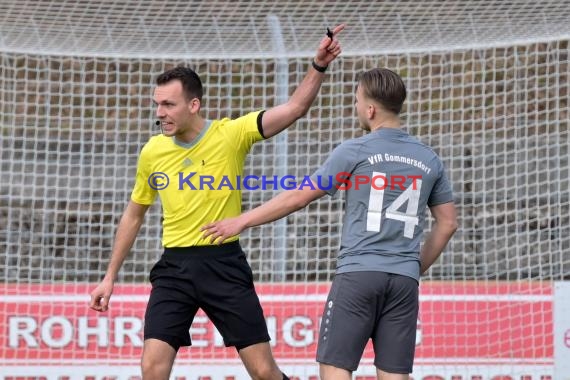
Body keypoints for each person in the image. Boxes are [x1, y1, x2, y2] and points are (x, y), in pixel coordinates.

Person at [89, 24, 345, 380]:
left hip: (224, 265)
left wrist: (318, 65)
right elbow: (134, 214)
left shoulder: (231, 134)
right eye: (157, 104)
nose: (160, 112)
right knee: (152, 366)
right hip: (174, 269)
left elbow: (296, 107)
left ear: (193, 104)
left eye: (168, 104)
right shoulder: (152, 151)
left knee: (263, 371)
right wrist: (109, 276)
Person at [201, 67, 458, 380]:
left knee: (335, 370)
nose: (355, 107)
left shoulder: (355, 151)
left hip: (359, 276)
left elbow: (299, 197)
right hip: (404, 281)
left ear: (371, 109)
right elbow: (447, 224)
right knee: (394, 375)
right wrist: (413, 267)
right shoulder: (429, 158)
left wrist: (243, 220)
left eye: (356, 100)